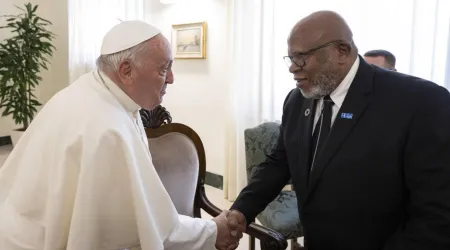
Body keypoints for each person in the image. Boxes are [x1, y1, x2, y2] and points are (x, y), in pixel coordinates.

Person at [0, 20, 243, 250]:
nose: (171, 78)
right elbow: (144, 226)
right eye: (164, 68)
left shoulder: (94, 90)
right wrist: (212, 230)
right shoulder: (107, 128)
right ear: (126, 70)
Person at [226, 10, 450, 250]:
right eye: (290, 58)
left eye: (301, 57)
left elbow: (436, 215)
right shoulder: (296, 100)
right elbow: (280, 162)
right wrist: (242, 209)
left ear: (341, 52)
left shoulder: (421, 102)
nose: (292, 68)